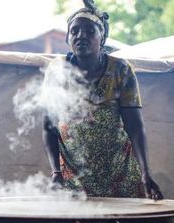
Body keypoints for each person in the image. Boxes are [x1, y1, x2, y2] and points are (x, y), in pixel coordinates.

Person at [43, 0, 163, 200]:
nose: (81, 35)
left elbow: (134, 126)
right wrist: (56, 172)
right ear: (67, 38)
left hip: (120, 174)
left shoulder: (120, 70)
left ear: (103, 37)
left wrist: (145, 173)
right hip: (73, 178)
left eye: (90, 31)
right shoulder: (57, 71)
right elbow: (49, 127)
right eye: (75, 31)